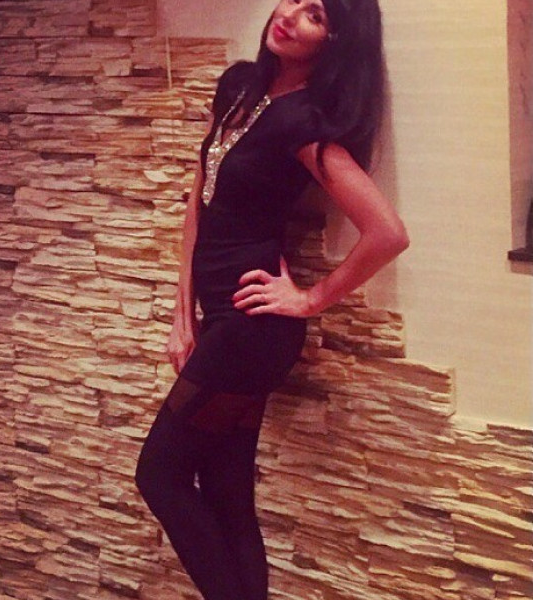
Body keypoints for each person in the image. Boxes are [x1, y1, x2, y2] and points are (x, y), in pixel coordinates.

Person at [135, 1, 410, 599]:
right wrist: (182, 317)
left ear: (335, 40)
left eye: (315, 15)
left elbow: (388, 233)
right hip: (222, 322)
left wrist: (311, 299)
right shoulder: (239, 86)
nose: (290, 14)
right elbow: (199, 199)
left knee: (159, 475)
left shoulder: (302, 120)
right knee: (227, 492)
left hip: (252, 329)